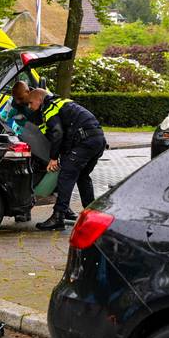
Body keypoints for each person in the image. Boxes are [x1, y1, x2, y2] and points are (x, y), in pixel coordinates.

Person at [20, 87, 105, 231]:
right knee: (83, 176)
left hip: (85, 141)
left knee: (66, 175)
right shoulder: (61, 103)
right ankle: (92, 215)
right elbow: (62, 131)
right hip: (97, 139)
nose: (29, 106)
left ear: (40, 100)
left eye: (30, 103)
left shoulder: (49, 108)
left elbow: (57, 133)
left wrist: (53, 158)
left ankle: (58, 217)